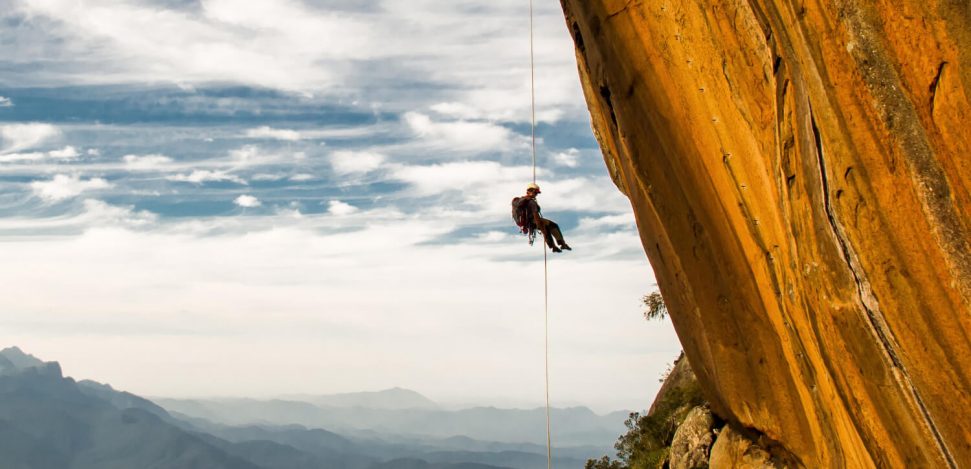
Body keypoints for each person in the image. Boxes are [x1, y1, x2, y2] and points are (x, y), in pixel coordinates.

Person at [512, 183, 571, 253]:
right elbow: (536, 215)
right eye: (536, 192)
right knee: (553, 226)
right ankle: (562, 244)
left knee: (546, 229)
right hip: (533, 221)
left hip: (526, 223)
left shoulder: (518, 200)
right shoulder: (531, 202)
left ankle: (553, 247)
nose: (536, 194)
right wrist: (540, 226)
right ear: (532, 191)